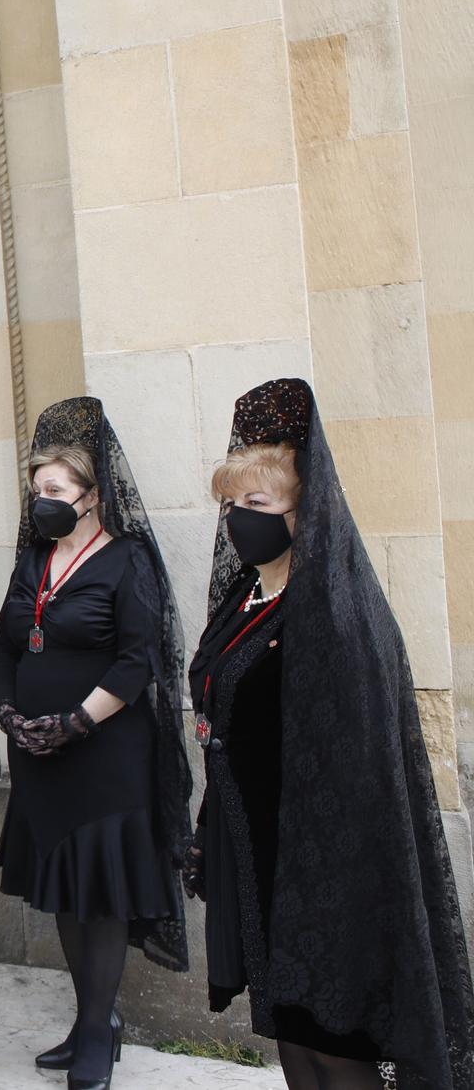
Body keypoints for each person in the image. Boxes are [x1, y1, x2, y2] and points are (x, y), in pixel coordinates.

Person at [186, 379, 472, 1090]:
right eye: (230, 503)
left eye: (257, 504)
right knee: (293, 1039)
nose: (237, 519)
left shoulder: (336, 612)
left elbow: (359, 762)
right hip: (262, 861)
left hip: (329, 881)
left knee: (340, 1047)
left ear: (301, 509)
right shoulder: (244, 595)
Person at [0, 398, 190, 1090]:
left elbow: (137, 662)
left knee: (101, 896)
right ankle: (86, 1017)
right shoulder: (32, 561)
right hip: (38, 758)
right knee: (68, 895)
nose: (42, 501)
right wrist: (8, 711)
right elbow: (4, 644)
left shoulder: (127, 561)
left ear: (91, 496)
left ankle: (102, 1028)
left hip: (104, 756)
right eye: (35, 490)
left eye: (55, 490)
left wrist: (75, 721)